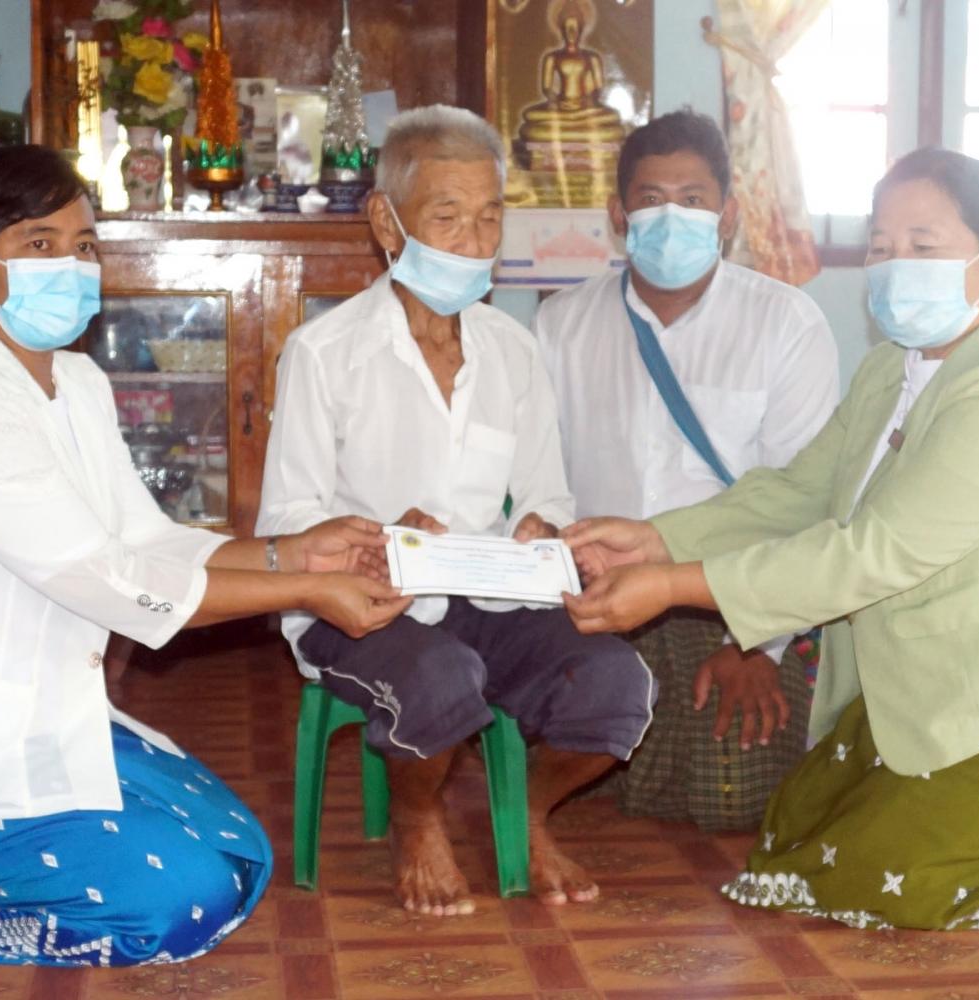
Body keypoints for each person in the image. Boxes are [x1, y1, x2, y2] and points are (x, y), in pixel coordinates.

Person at [0, 146, 411, 966]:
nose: (71, 265)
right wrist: (308, 589)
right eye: (39, 243)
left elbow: (146, 540)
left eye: (83, 244)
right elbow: (112, 582)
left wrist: (291, 550)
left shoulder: (75, 382)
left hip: (42, 720)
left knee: (241, 851)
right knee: (189, 901)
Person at [561, 147, 979, 930]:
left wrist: (673, 587)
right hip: (945, 686)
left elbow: (875, 555)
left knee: (887, 884)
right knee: (788, 846)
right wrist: (654, 541)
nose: (897, 266)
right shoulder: (890, 370)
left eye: (924, 245)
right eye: (881, 245)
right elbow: (799, 493)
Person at [257, 105, 656, 918]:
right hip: (356, 602)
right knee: (438, 676)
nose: (474, 243)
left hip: (485, 592)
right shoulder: (325, 353)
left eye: (489, 218)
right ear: (387, 222)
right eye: (447, 218)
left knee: (616, 680)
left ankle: (526, 814)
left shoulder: (512, 349)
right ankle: (417, 818)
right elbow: (287, 523)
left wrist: (541, 528)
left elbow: (547, 492)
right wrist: (370, 541)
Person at [534, 109, 838, 832]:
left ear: (727, 215)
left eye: (693, 199)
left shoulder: (787, 324)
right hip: (594, 597)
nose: (671, 217)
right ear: (618, 216)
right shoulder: (560, 325)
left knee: (732, 794)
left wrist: (756, 645)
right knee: (584, 758)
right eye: (650, 198)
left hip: (725, 597)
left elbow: (806, 502)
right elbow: (539, 480)